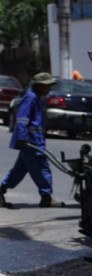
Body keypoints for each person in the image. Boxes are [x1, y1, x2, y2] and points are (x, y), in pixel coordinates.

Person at [0, 72, 65, 208]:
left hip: (32, 142)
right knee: (42, 168)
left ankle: (1, 190)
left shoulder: (36, 97)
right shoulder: (31, 97)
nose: (49, 89)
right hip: (31, 142)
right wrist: (23, 138)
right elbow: (22, 119)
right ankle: (46, 197)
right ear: (39, 86)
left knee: (18, 171)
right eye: (47, 86)